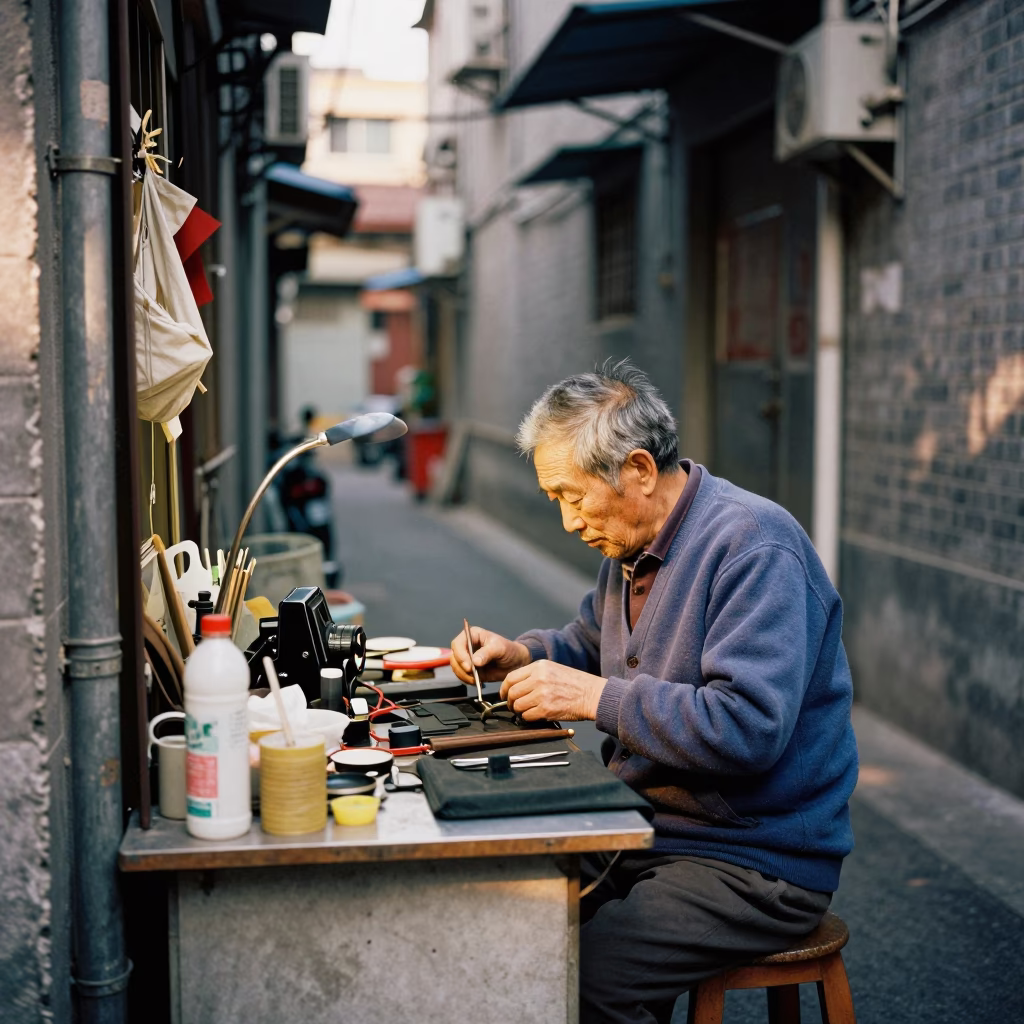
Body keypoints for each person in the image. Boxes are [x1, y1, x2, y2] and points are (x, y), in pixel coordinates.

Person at [450, 361, 858, 1024]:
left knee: (588, 980)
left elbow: (747, 727)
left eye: (573, 497)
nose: (567, 521)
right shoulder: (632, 545)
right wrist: (522, 655)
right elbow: (589, 644)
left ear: (638, 470)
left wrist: (591, 698)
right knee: (505, 925)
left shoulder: (754, 546)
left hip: (755, 859)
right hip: (644, 829)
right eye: (554, 499)